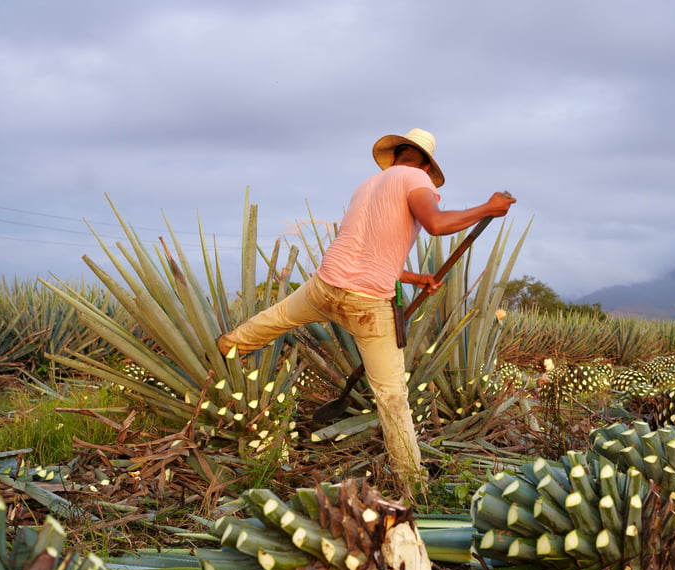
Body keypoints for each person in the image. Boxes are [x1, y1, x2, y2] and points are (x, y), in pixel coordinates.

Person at [217, 128, 516, 500]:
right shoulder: (416, 178)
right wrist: (487, 209)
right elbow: (437, 225)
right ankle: (413, 485)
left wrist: (412, 276)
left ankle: (226, 350)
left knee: (276, 319)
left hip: (325, 285)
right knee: (391, 395)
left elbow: (366, 247)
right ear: (424, 162)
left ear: (396, 155)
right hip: (367, 303)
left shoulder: (368, 185)